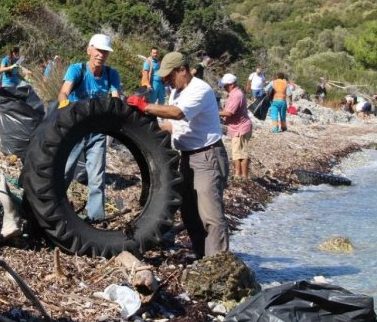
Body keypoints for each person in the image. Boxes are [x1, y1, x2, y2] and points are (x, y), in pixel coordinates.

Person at [127, 52, 228, 258]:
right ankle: (202, 258)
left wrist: (145, 107)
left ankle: (218, 264)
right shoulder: (177, 92)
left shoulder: (200, 89)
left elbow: (177, 113)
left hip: (207, 156)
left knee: (210, 216)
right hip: (187, 157)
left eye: (170, 76)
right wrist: (140, 128)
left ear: (182, 70)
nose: (166, 81)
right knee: (189, 214)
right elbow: (174, 125)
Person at [57, 34, 121, 222]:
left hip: (97, 132)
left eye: (105, 52)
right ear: (89, 50)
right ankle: (56, 210)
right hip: (75, 130)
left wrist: (116, 111)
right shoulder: (77, 70)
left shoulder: (111, 74)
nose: (101, 55)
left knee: (97, 177)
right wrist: (64, 105)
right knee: (65, 171)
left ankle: (95, 218)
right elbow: (63, 92)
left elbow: (116, 97)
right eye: (98, 50)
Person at [218, 73, 252, 180]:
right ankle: (241, 175)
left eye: (225, 85)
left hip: (240, 127)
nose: (224, 87)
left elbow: (228, 113)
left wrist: (214, 112)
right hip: (238, 127)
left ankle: (241, 175)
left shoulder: (236, 95)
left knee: (240, 153)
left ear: (231, 84)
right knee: (239, 152)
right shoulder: (235, 93)